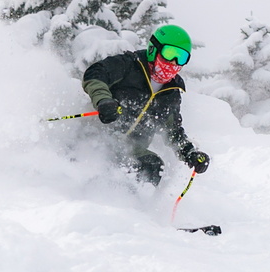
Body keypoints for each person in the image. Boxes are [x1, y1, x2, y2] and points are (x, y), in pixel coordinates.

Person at [81, 24, 210, 186]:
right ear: (153, 49)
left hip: (132, 151)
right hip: (97, 137)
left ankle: (132, 207)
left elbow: (173, 132)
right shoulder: (129, 64)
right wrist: (103, 100)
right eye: (169, 53)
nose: (174, 62)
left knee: (153, 166)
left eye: (181, 57)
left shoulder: (171, 92)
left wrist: (190, 153)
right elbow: (95, 73)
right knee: (87, 157)